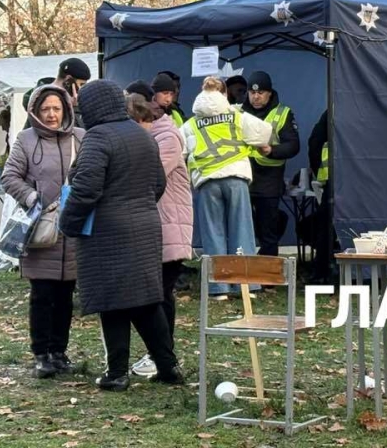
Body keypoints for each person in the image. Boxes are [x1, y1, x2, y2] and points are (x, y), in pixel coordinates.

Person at [59, 80, 183, 391]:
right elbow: (158, 184)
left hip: (107, 231)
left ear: (93, 106)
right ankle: (168, 367)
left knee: (111, 301)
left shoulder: (98, 137)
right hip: (145, 227)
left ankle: (116, 372)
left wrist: (68, 222)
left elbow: (85, 187)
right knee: (146, 301)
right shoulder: (142, 135)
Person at [2, 84, 83, 379]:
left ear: (66, 110)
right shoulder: (25, 140)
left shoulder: (80, 138)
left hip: (71, 230)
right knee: (42, 294)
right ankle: (41, 353)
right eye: (46, 109)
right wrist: (31, 196)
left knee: (65, 296)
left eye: (56, 109)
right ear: (36, 111)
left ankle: (60, 351)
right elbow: (9, 177)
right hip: (40, 229)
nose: (51, 115)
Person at [182, 77, 273, 299]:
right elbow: (263, 132)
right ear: (224, 94)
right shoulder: (236, 116)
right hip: (236, 177)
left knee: (213, 233)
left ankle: (218, 287)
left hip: (207, 181)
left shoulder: (191, 123)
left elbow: (179, 149)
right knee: (242, 230)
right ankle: (245, 285)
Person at [125, 94, 193, 378]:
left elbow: (150, 176)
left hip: (170, 226)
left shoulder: (168, 137)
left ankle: (162, 356)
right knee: (158, 294)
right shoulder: (152, 136)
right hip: (155, 226)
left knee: (160, 295)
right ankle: (161, 355)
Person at [241, 71, 300, 257]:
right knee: (242, 227)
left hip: (268, 180)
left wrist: (271, 151)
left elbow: (293, 145)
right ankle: (242, 274)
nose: (256, 97)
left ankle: (267, 277)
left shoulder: (282, 113)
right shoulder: (238, 113)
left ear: (269, 93)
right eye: (252, 92)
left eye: (260, 93)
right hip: (243, 177)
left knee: (268, 229)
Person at [308, 109, 337, 283]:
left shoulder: (333, 110)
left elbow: (315, 142)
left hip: (335, 180)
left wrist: (317, 168)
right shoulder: (371, 103)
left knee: (326, 227)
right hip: (367, 180)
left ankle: (322, 273)